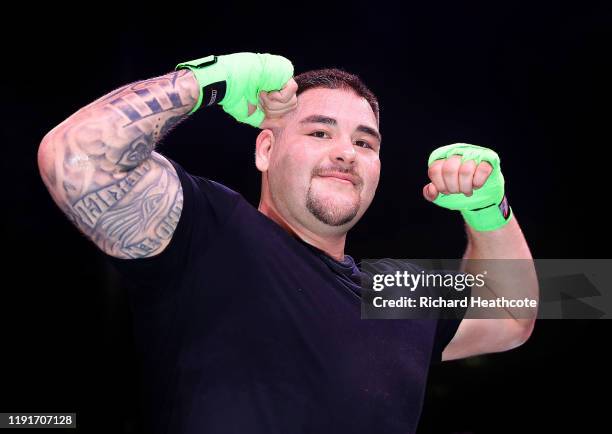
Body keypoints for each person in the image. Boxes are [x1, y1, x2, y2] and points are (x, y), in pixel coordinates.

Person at [37, 52, 538, 433]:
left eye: (365, 143)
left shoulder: (390, 292)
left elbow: (520, 314)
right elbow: (74, 159)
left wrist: (489, 210)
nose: (346, 152)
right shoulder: (212, 230)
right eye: (320, 133)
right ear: (266, 148)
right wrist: (206, 78)